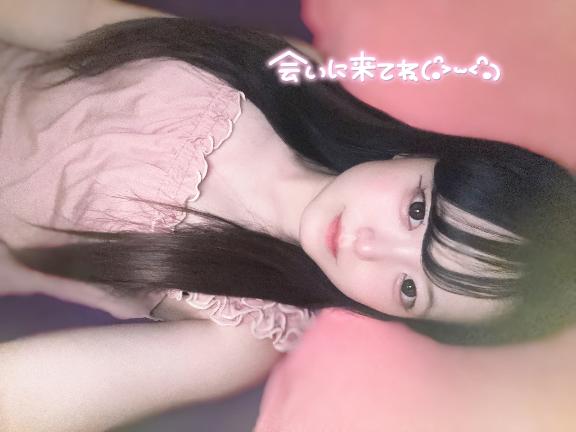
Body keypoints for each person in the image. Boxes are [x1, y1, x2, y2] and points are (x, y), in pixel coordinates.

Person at [0, 7, 574, 431]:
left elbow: (21, 398)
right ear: (417, 156)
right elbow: (81, 22)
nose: (368, 247)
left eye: (408, 288)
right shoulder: (293, 73)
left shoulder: (242, 335)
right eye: (417, 212)